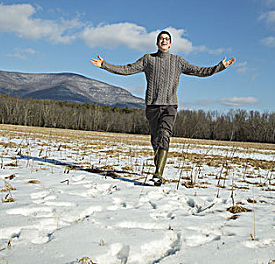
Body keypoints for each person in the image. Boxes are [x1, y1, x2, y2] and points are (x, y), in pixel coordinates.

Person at [90, 30, 235, 186]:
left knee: (165, 134)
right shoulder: (148, 59)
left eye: (167, 39)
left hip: (170, 105)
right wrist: (105, 65)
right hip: (152, 105)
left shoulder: (178, 61)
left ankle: (158, 174)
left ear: (170, 43)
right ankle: (158, 164)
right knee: (155, 139)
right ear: (157, 43)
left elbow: (199, 71)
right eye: (161, 38)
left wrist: (220, 67)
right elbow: (127, 69)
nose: (164, 41)